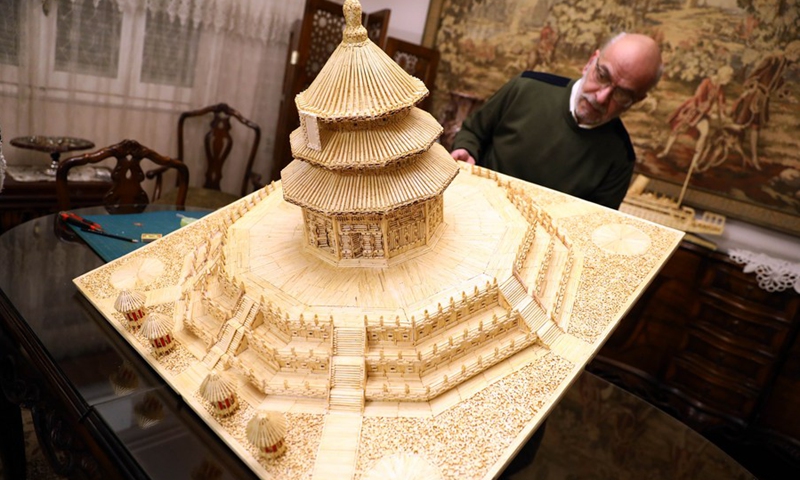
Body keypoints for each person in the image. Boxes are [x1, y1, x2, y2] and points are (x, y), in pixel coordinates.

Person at [451, 32, 663, 209]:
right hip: (476, 211)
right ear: (590, 62)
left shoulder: (620, 158)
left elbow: (592, 230)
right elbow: (473, 132)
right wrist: (466, 149)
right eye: (602, 76)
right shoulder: (526, 87)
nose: (601, 97)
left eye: (623, 94)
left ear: (637, 101)